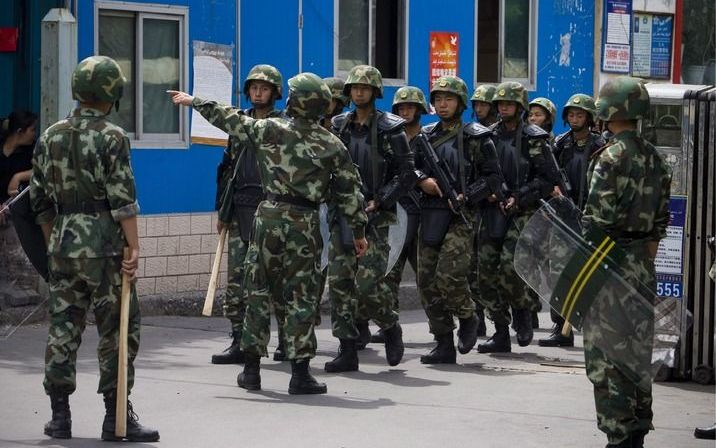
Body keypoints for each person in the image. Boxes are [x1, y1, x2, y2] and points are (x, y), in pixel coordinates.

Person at [169, 72, 368, 394]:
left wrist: (195, 101)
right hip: (303, 222)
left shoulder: (270, 129)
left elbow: (229, 119)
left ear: (293, 101)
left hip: (268, 217)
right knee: (301, 296)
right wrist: (358, 232)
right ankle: (300, 374)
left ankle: (251, 371)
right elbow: (349, 194)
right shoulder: (332, 144)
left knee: (257, 291)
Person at [32, 55, 158, 442]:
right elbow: (123, 199)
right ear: (111, 92)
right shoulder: (112, 136)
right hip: (105, 246)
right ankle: (116, 416)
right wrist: (134, 247)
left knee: (63, 327)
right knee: (118, 329)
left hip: (64, 243)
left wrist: (57, 239)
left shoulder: (50, 135)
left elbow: (39, 202)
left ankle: (59, 416)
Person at [582, 76, 671, 448]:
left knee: (606, 356)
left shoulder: (611, 158)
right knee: (637, 350)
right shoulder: (656, 158)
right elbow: (660, 224)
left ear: (607, 113)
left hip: (609, 264)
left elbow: (596, 220)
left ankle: (617, 436)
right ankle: (637, 429)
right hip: (642, 266)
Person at [324, 64, 417, 372]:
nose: (359, 91)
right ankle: (347, 348)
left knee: (365, 284)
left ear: (375, 92)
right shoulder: (339, 125)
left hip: (377, 218)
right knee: (339, 284)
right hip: (344, 214)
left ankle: (390, 326)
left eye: (365, 87)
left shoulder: (391, 127)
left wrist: (380, 201)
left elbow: (406, 174)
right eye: (354, 87)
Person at [417, 76, 502, 364]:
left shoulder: (477, 136)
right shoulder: (425, 136)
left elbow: (493, 178)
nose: (442, 104)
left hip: (461, 216)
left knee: (449, 275)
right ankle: (442, 342)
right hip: (431, 213)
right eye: (438, 99)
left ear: (460, 103)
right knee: (426, 279)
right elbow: (408, 168)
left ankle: (467, 316)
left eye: (449, 99)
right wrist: (423, 181)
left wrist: (467, 196)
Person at [211, 64, 287, 365]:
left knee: (278, 276)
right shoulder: (239, 122)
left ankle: (286, 339)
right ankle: (238, 339)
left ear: (275, 92)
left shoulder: (284, 125)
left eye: (264, 88)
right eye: (254, 87)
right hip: (241, 205)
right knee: (238, 278)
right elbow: (227, 168)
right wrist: (223, 210)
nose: (258, 92)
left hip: (274, 207)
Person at [476, 82, 559, 353]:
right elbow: (475, 173)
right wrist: (487, 193)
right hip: (492, 210)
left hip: (524, 212)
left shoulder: (535, 138)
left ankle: (522, 310)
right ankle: (499, 330)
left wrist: (519, 196)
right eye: (500, 104)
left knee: (511, 268)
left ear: (520, 107)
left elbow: (547, 179)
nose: (503, 108)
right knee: (486, 274)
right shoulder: (486, 136)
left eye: (509, 104)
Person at [539, 93, 605, 348]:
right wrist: (552, 191)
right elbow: (545, 173)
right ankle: (561, 327)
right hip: (563, 216)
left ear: (589, 118)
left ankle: (592, 327)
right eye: (572, 115)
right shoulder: (560, 144)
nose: (575, 119)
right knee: (559, 273)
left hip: (589, 217)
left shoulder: (600, 145)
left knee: (589, 275)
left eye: (580, 115)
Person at [370, 85, 427, 345]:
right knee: (389, 272)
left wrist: (422, 180)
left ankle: (441, 329)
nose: (405, 111)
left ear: (419, 110)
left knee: (425, 276)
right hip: (396, 210)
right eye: (401, 107)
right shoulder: (390, 138)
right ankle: (387, 323)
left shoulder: (428, 138)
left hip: (423, 213)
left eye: (410, 107)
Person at [0, 110, 41, 288]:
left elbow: (43, 170)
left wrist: (18, 176)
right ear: (19, 132)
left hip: (13, 211)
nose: (35, 134)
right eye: (32, 130)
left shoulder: (30, 152)